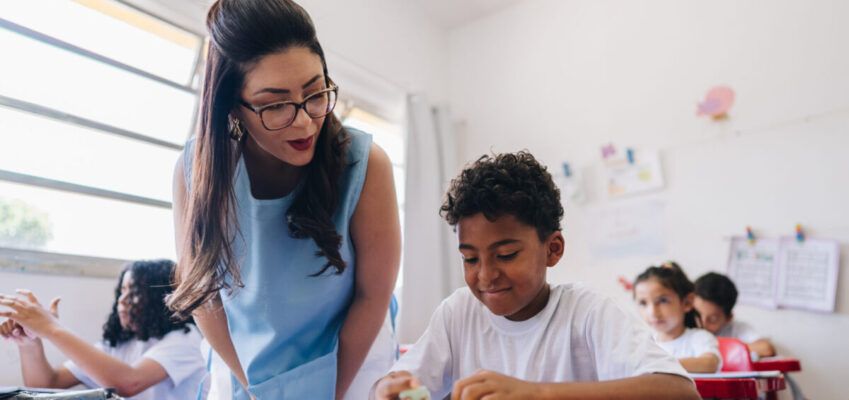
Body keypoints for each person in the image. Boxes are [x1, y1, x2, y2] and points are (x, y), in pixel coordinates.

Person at [166, 1, 401, 399]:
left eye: (314, 93)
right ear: (232, 105)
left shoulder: (365, 164)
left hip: (351, 356)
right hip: (244, 360)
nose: (306, 121)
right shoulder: (198, 169)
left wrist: (332, 392)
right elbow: (203, 292)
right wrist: (254, 388)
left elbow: (372, 294)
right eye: (275, 105)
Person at [372, 152, 699, 400]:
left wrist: (538, 394)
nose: (485, 275)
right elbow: (396, 382)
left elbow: (680, 390)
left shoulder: (585, 313)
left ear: (553, 249)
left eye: (506, 255)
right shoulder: (458, 313)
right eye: (470, 259)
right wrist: (389, 388)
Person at [0, 259, 206, 400]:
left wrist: (51, 328)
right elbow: (45, 384)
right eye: (122, 291)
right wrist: (30, 342)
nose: (122, 301)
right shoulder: (118, 344)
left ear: (160, 298)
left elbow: (129, 383)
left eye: (135, 293)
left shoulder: (185, 340)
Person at [633, 263, 722, 373]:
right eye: (643, 303)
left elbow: (710, 364)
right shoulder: (644, 342)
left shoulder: (699, 338)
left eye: (663, 301)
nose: (652, 313)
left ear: (687, 303)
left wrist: (659, 364)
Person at [693, 272, 776, 358]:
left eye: (713, 319)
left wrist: (714, 348)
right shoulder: (682, 325)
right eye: (697, 314)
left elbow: (766, 348)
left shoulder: (737, 329)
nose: (702, 323)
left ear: (728, 318)